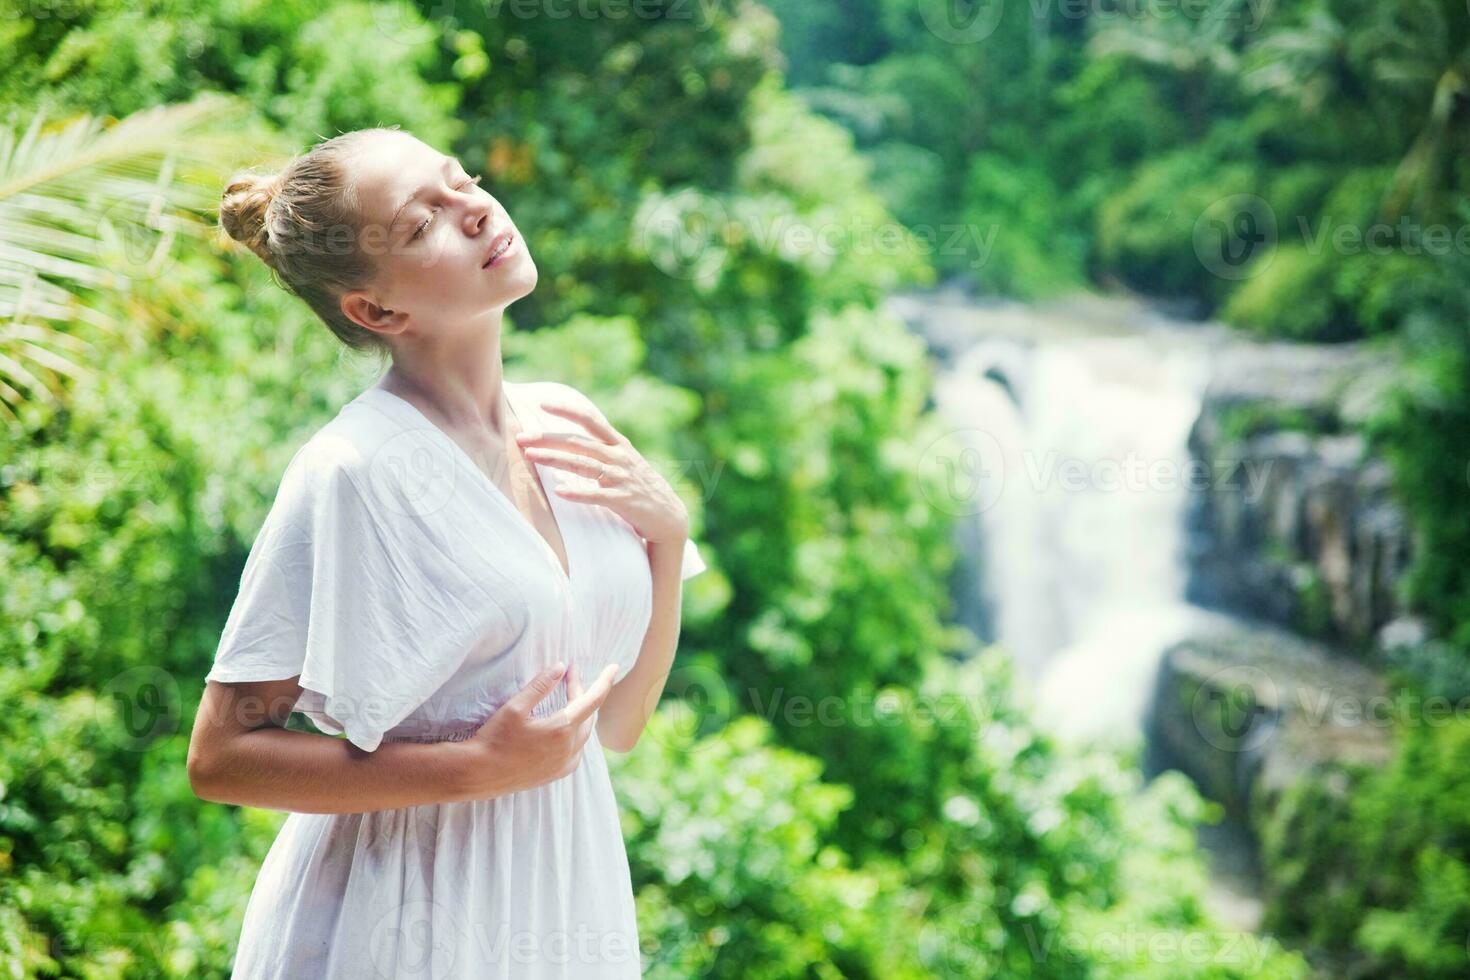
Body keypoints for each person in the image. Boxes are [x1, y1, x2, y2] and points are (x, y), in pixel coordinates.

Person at [187, 124, 709, 979]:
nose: (473, 208)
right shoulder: (352, 471)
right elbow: (221, 757)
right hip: (405, 916)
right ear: (377, 310)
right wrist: (471, 768)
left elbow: (618, 724)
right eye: (422, 220)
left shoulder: (569, 421)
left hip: (563, 899)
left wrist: (669, 536)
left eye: (460, 179)